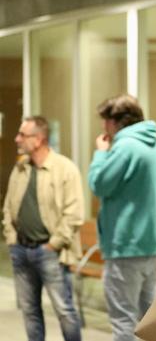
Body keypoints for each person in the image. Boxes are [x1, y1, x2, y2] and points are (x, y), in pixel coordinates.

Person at [88, 95, 156, 341]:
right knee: (150, 321)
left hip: (126, 246)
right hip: (151, 244)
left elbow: (99, 184)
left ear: (118, 122)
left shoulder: (124, 148)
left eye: (106, 121)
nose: (103, 128)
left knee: (123, 320)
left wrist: (100, 154)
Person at [2, 116, 84, 341]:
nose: (17, 139)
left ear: (38, 139)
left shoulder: (65, 168)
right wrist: (11, 238)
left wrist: (53, 244)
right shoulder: (20, 168)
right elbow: (8, 207)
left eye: (22, 135)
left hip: (50, 253)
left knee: (64, 311)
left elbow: (74, 213)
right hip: (21, 250)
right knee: (30, 312)